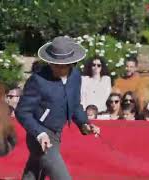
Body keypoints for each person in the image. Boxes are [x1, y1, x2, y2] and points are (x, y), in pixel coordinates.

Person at [15, 36, 100, 180]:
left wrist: (85, 124)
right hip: (39, 136)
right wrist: (40, 133)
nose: (58, 68)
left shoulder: (75, 77)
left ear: (72, 63)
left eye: (63, 65)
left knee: (33, 175)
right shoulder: (38, 80)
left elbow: (75, 105)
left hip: (56, 133)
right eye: (55, 64)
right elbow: (22, 112)